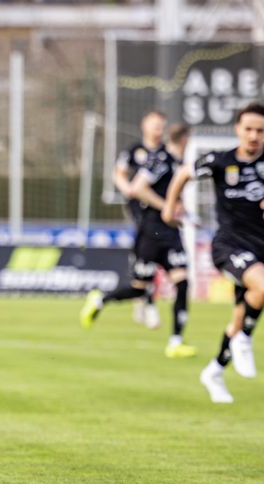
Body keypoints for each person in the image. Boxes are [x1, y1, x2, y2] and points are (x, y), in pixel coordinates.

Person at [163, 103, 264, 403]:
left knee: (242, 314)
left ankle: (214, 371)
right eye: (248, 129)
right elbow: (183, 173)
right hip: (227, 245)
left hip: (257, 247)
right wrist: (170, 206)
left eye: (259, 130)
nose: (253, 136)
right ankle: (245, 339)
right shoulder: (220, 160)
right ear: (238, 129)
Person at [82, 123, 197, 359]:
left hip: (171, 233)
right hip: (151, 233)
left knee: (183, 282)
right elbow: (138, 188)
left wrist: (180, 210)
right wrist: (167, 207)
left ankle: (175, 342)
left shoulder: (177, 162)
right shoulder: (160, 159)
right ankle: (100, 299)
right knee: (139, 289)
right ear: (186, 139)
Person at [114, 111, 167, 330]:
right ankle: (149, 304)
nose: (158, 130)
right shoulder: (134, 151)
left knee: (146, 257)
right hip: (141, 210)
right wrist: (127, 188)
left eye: (161, 126)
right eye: (154, 125)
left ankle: (140, 297)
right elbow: (119, 173)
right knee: (147, 254)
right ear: (144, 126)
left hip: (161, 210)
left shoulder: (166, 153)